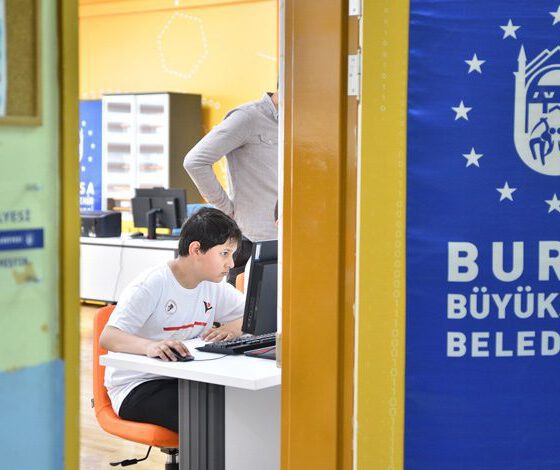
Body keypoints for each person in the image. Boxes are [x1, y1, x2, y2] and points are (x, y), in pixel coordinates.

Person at [99, 208, 246, 432]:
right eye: (224, 253)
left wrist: (234, 328)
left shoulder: (213, 285)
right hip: (138, 385)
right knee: (211, 419)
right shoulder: (152, 284)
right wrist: (150, 346)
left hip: (185, 378)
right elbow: (108, 337)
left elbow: (253, 314)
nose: (231, 264)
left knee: (242, 405)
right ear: (196, 249)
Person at [183, 91, 279, 282]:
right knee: (246, 301)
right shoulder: (248, 117)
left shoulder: (296, 122)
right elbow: (195, 162)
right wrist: (226, 209)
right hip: (253, 242)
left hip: (288, 240)